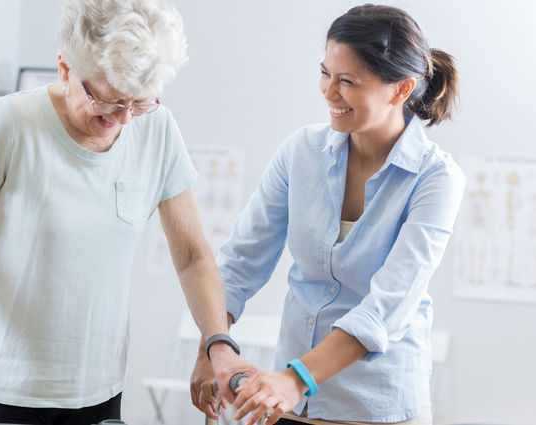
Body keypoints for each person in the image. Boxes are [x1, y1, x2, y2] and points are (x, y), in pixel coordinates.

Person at [0, 1, 254, 424]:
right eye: (108, 102)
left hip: (99, 393)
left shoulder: (157, 129)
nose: (125, 120)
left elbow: (193, 256)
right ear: (65, 68)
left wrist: (216, 342)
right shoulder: (12, 123)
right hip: (5, 387)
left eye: (138, 103)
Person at [191, 4, 465, 425]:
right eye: (325, 73)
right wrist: (215, 345)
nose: (328, 91)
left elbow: (386, 308)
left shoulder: (435, 178)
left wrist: (297, 378)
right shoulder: (300, 152)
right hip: (288, 402)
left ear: (401, 89)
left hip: (376, 408)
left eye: (347, 81)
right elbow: (239, 264)